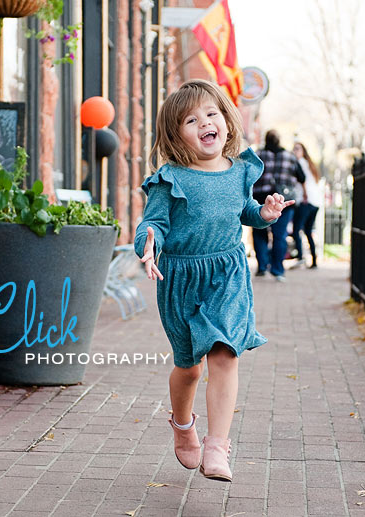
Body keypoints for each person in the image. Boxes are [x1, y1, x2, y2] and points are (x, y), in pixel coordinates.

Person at [134, 79, 293, 482]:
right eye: (191, 119)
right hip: (181, 277)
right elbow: (152, 223)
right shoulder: (170, 178)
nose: (204, 122)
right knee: (189, 368)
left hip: (227, 274)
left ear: (225, 120)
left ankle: (217, 446)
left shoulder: (239, 170)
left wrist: (266, 214)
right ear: (176, 134)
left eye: (211, 113)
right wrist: (148, 243)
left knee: (225, 353)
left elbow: (245, 211)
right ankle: (182, 424)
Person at [252, 130, 305, 282]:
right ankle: (278, 270)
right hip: (284, 201)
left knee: (259, 233)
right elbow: (302, 177)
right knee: (280, 235)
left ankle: (262, 267)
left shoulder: (258, 155)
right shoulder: (290, 156)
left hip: (260, 199)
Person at [291, 141, 322, 269]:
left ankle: (300, 258)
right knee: (308, 231)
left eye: (297, 149)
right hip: (315, 202)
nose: (295, 151)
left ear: (303, 151)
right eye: (294, 149)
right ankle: (314, 260)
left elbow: (303, 180)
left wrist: (304, 195)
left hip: (306, 201)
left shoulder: (300, 163)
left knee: (296, 229)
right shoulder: (310, 164)